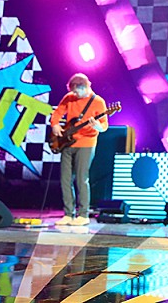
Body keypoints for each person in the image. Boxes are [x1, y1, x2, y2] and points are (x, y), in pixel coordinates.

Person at [50, 73, 108, 226]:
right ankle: (68, 213)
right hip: (67, 143)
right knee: (65, 179)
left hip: (86, 143)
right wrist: (55, 125)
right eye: (73, 92)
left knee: (82, 179)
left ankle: (83, 214)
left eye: (76, 92)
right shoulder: (69, 98)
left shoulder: (98, 102)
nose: (74, 94)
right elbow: (57, 113)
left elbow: (104, 126)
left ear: (85, 87)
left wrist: (97, 126)